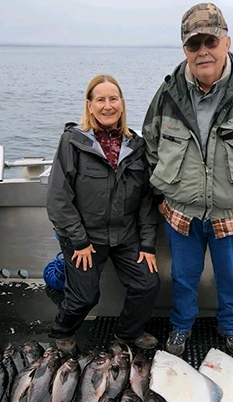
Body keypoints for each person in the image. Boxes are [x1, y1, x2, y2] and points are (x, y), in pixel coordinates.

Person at [143, 3, 233, 357]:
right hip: (181, 213)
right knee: (183, 279)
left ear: (226, 42)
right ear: (184, 50)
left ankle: (231, 327)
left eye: (211, 41)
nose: (203, 51)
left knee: (231, 280)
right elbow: (149, 144)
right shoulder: (168, 92)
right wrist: (160, 191)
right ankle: (180, 328)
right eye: (194, 44)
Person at [46, 74, 160, 351]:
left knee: (147, 283)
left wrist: (146, 243)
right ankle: (63, 331)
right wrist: (79, 241)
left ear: (122, 103)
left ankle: (127, 333)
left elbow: (146, 200)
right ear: (89, 105)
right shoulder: (73, 142)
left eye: (113, 99)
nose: (107, 106)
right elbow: (59, 198)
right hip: (85, 236)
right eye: (100, 100)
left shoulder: (137, 145)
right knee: (84, 297)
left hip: (125, 235)